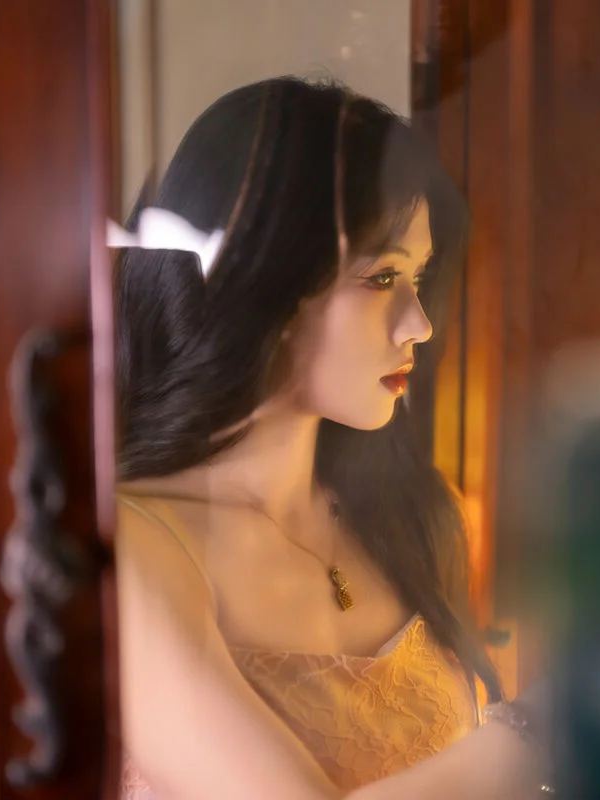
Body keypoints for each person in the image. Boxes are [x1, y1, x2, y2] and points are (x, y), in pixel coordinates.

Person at [112, 78, 550, 799]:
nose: (419, 325)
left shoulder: (412, 515)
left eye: (418, 278)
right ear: (264, 283)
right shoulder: (130, 546)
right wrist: (545, 726)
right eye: (381, 278)